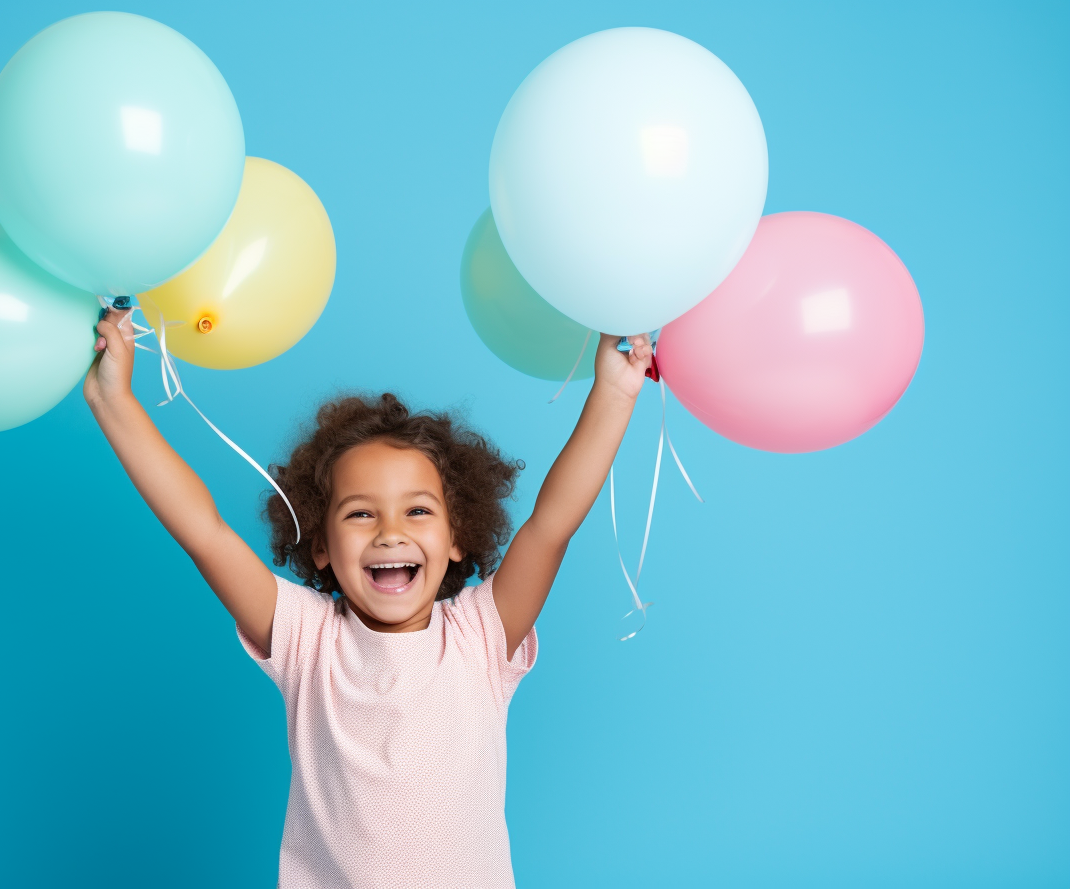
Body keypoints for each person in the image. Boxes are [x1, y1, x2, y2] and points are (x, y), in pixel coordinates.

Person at [85, 307, 654, 889]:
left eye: (417, 510)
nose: (389, 532)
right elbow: (204, 532)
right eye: (360, 513)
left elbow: (551, 524)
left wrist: (613, 389)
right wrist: (115, 403)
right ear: (322, 544)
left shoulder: (480, 636)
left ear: (457, 536)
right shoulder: (305, 640)